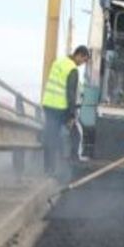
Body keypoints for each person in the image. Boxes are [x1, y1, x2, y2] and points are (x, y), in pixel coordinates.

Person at [41, 45, 90, 177]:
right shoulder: (72, 69)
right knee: (75, 134)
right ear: (79, 55)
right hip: (59, 107)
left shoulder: (59, 61)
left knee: (50, 135)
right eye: (84, 60)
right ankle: (71, 164)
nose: (82, 63)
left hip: (48, 103)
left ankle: (48, 168)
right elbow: (70, 93)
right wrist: (71, 115)